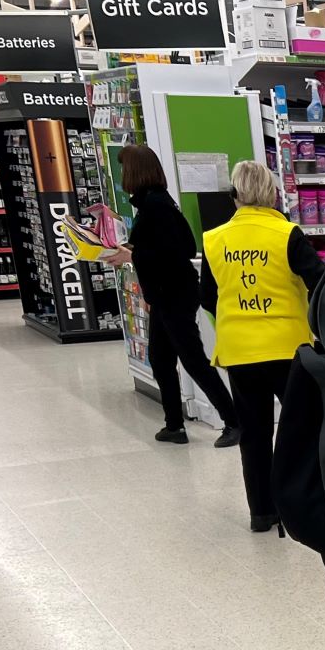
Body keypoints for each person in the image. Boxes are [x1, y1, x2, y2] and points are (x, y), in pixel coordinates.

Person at [200, 160, 325, 533]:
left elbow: (207, 296)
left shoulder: (214, 239)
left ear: (234, 195)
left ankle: (262, 513)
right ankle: (305, 505)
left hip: (240, 350)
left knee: (254, 433)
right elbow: (319, 281)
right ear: (272, 194)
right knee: (303, 428)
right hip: (288, 349)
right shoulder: (288, 234)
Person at [105, 145, 240, 447]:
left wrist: (132, 256)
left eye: (125, 169)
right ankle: (174, 425)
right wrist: (133, 252)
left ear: (135, 172)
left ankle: (233, 421)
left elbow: (175, 251)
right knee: (161, 359)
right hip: (166, 293)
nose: (123, 175)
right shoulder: (154, 203)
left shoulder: (156, 206)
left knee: (192, 359)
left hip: (174, 293)